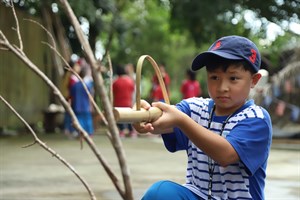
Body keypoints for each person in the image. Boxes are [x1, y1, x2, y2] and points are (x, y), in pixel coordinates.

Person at [134, 35, 272, 200]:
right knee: (160, 193)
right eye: (214, 78)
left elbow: (225, 155)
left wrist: (182, 120)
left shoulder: (256, 119)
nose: (222, 87)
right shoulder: (195, 108)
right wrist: (144, 117)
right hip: (197, 194)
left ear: (254, 80)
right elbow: (164, 119)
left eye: (233, 78)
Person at [113, 65, 137, 138]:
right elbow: (133, 91)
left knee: (119, 117)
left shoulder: (116, 82)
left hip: (119, 103)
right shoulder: (130, 81)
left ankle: (122, 131)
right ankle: (132, 131)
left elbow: (113, 93)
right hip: (128, 102)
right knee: (129, 117)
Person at [70, 65, 94, 137]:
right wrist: (91, 106)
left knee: (80, 121)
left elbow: (72, 96)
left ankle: (81, 133)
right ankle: (89, 133)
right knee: (88, 120)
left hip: (77, 105)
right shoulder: (88, 85)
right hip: (86, 105)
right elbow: (90, 96)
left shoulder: (75, 85)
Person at [61, 60, 81, 137]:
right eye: (76, 65)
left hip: (70, 98)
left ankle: (69, 130)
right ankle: (69, 130)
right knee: (70, 114)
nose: (78, 67)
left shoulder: (71, 76)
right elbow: (71, 89)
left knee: (69, 114)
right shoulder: (71, 77)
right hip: (70, 98)